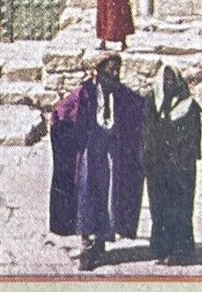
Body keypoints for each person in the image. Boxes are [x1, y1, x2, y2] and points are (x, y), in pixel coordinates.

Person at [48, 52, 145, 271]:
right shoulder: (86, 93)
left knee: (110, 197)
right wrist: (62, 123)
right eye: (111, 70)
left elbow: (139, 106)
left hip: (112, 157)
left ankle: (100, 242)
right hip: (91, 156)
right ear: (99, 72)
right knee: (87, 196)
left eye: (117, 69)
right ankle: (86, 244)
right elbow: (64, 108)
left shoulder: (121, 94)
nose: (115, 74)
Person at [142, 64, 202, 266]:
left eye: (172, 81)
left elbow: (193, 140)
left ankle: (181, 251)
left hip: (181, 169)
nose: (169, 84)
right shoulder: (152, 102)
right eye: (165, 80)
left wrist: (180, 158)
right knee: (159, 208)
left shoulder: (189, 106)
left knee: (180, 209)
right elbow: (146, 132)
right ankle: (161, 247)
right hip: (158, 168)